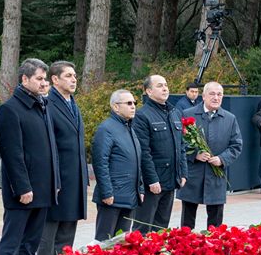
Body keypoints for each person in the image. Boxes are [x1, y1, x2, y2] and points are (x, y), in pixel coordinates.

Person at [0, 58, 60, 255]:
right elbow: (12, 154)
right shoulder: (10, 110)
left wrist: (55, 182)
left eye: (45, 79)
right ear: (24, 79)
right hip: (23, 192)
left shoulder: (43, 106)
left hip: (43, 188)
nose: (44, 83)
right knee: (12, 244)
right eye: (39, 79)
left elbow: (52, 149)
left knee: (31, 245)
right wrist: (22, 187)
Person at [37, 61, 87, 255]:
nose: (74, 79)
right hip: (56, 181)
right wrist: (53, 180)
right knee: (48, 237)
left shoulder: (73, 104)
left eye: (74, 75)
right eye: (68, 76)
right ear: (55, 79)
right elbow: (47, 146)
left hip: (74, 180)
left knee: (67, 237)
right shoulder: (47, 104)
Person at [176, 82, 242, 229]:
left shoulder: (230, 118)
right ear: (204, 96)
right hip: (193, 175)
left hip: (216, 176)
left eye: (219, 94)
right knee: (187, 222)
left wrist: (222, 159)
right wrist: (195, 155)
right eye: (212, 94)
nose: (216, 97)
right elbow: (178, 142)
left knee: (215, 224)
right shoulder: (188, 114)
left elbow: (236, 145)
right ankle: (185, 242)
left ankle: (214, 242)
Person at [133, 75, 187, 232]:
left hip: (170, 180)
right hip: (153, 183)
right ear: (149, 91)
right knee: (143, 228)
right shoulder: (142, 115)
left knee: (161, 228)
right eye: (159, 86)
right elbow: (143, 152)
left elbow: (181, 146)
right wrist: (152, 179)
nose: (165, 88)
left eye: (166, 85)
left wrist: (183, 173)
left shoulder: (175, 113)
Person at [91, 89, 144, 241]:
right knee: (104, 242)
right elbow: (100, 162)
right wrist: (107, 192)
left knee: (122, 243)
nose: (133, 106)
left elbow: (136, 161)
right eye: (129, 103)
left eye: (134, 103)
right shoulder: (106, 129)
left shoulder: (129, 127)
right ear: (115, 107)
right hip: (113, 197)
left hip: (129, 196)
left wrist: (140, 188)